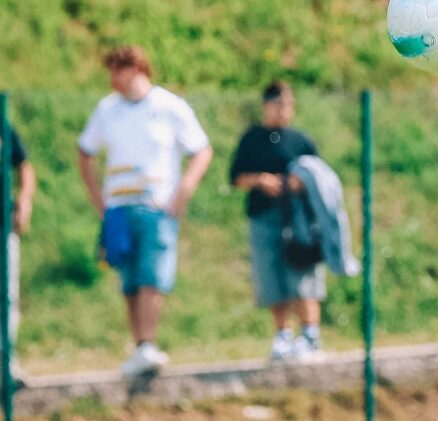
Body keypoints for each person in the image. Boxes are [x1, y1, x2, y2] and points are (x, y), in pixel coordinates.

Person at [77, 45, 213, 377]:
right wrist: (99, 200)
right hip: (120, 204)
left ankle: (148, 342)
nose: (112, 79)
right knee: (129, 277)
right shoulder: (107, 110)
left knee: (154, 274)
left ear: (136, 69)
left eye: (117, 70)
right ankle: (139, 344)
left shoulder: (168, 107)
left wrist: (184, 190)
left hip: (156, 203)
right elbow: (85, 152)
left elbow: (201, 150)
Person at [229, 81, 326, 360]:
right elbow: (236, 176)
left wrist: (296, 183)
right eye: (279, 104)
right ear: (266, 105)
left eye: (289, 105)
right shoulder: (252, 139)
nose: (284, 110)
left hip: (298, 218)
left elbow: (318, 176)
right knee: (270, 274)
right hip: (264, 215)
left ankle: (310, 335)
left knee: (303, 273)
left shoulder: (301, 140)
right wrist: (260, 180)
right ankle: (283, 334)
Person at [1, 123, 37, 385]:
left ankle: (6, 365)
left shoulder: (3, 123)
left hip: (3, 224)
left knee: (7, 299)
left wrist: (24, 201)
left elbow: (23, 165)